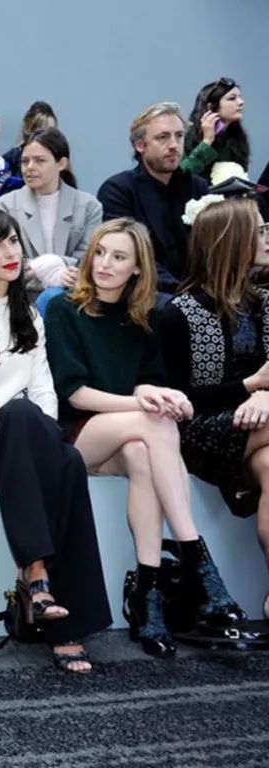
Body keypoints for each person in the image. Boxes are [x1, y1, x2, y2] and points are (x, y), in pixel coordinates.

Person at [45, 217, 244, 656]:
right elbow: (75, 394)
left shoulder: (144, 317)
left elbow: (150, 382)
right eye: (100, 252)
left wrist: (161, 397)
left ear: (137, 267)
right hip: (77, 436)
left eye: (118, 257)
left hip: (126, 437)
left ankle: (148, 593)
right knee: (154, 423)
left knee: (142, 454)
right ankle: (195, 554)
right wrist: (143, 402)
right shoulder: (63, 308)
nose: (104, 264)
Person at [0, 208, 112, 673]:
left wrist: (40, 440)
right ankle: (37, 575)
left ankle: (52, 606)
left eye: (12, 241)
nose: (10, 252)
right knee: (21, 418)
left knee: (67, 461)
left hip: (22, 434)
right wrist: (7, 438)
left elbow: (44, 390)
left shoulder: (29, 312)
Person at [157, 197, 269, 622]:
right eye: (259, 231)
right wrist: (248, 388)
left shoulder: (266, 302)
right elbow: (180, 398)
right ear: (232, 241)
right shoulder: (179, 314)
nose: (267, 238)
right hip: (202, 431)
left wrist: (264, 397)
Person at [97, 102, 209, 294]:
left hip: (198, 290)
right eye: (163, 137)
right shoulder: (118, 190)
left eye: (179, 136)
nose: (174, 145)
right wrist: (183, 293)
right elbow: (130, 255)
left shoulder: (198, 187)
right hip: (145, 292)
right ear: (140, 145)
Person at [0, 127, 103, 294]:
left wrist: (51, 264)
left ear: (62, 163)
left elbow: (87, 261)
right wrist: (50, 273)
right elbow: (3, 263)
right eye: (25, 161)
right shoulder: (4, 206)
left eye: (40, 160)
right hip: (21, 298)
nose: (30, 167)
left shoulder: (89, 206)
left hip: (74, 297)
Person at [181, 77, 249, 181]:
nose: (241, 102)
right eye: (232, 98)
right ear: (211, 107)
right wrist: (207, 141)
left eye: (240, 97)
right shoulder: (187, 135)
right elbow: (181, 176)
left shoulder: (236, 137)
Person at [2, 101, 57, 181]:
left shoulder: (58, 157)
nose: (47, 137)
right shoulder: (12, 159)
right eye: (41, 132)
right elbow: (1, 183)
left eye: (51, 131)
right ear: (27, 130)